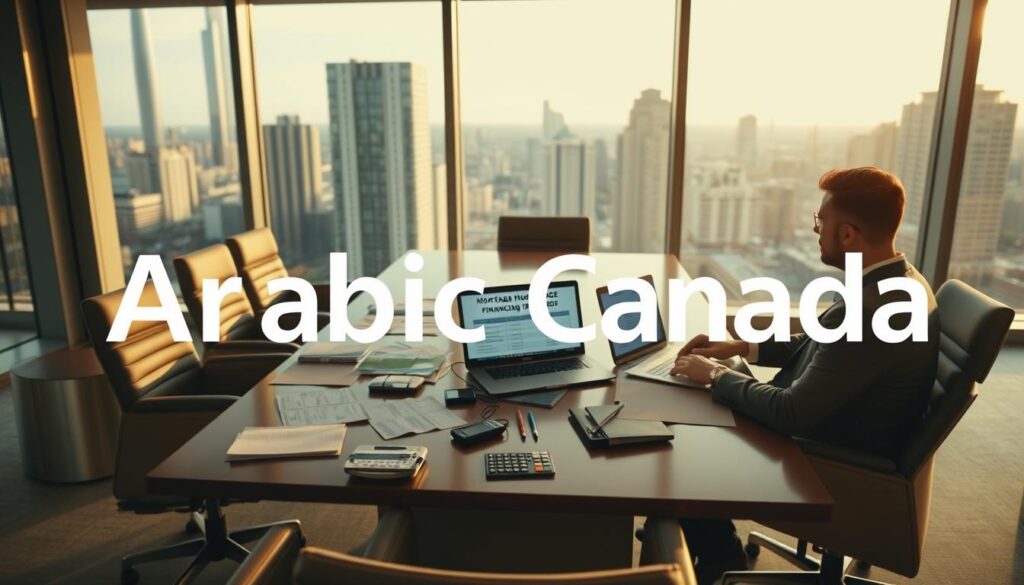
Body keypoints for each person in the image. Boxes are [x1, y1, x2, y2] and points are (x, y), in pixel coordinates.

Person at [670, 167, 939, 585]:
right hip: (846, 425)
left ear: (847, 234)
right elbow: (820, 342)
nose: (816, 231)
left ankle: (720, 555)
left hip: (830, 461)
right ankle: (707, 538)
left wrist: (719, 375)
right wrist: (741, 347)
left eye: (820, 222)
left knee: (681, 445)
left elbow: (792, 412)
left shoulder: (871, 310)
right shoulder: (899, 280)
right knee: (701, 405)